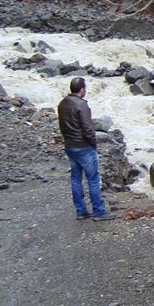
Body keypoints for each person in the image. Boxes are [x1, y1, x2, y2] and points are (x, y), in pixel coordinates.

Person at [57, 77, 113, 221]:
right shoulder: (82, 105)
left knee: (76, 179)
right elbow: (88, 129)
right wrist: (93, 144)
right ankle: (99, 212)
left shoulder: (62, 104)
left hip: (70, 146)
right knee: (93, 180)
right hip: (83, 147)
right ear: (82, 90)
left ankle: (81, 211)